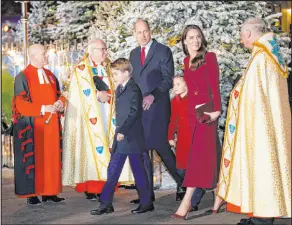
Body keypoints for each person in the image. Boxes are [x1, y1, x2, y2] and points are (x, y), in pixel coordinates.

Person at [211, 17, 291, 225]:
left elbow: (254, 97)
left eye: (241, 34)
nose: (240, 39)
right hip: (265, 124)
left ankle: (263, 219)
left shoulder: (262, 58)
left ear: (247, 33)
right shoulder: (267, 54)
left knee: (263, 166)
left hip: (260, 127)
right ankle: (258, 214)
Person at [62, 40, 134, 200]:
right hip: (90, 119)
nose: (105, 52)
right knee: (92, 149)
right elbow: (75, 96)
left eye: (105, 49)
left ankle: (109, 185)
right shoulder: (81, 70)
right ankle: (93, 188)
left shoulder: (111, 67)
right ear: (91, 51)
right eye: (101, 49)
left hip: (110, 115)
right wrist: (96, 96)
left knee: (110, 148)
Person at [129, 18, 185, 205]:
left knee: (161, 147)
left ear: (150, 31)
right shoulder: (133, 54)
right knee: (142, 150)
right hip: (140, 111)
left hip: (158, 107)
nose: (143, 35)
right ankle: (146, 194)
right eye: (139, 32)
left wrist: (152, 95)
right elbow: (133, 82)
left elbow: (168, 79)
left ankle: (183, 183)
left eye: (145, 31)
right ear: (134, 34)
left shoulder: (163, 51)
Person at [90, 58, 153, 215]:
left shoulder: (133, 89)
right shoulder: (121, 88)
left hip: (130, 137)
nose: (114, 77)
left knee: (136, 171)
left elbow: (134, 113)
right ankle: (106, 203)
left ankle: (145, 203)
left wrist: (123, 131)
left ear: (126, 73)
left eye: (116, 73)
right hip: (123, 137)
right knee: (114, 170)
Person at [171, 24, 222, 220]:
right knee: (208, 156)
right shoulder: (186, 60)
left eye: (198, 37)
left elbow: (214, 85)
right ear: (184, 41)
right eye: (191, 37)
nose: (195, 40)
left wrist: (216, 111)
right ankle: (219, 195)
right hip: (193, 114)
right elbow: (190, 89)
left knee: (197, 159)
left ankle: (187, 201)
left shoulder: (209, 57)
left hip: (208, 113)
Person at [12, 44, 65, 205]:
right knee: (35, 160)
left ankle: (50, 192)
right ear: (33, 56)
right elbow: (20, 104)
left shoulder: (50, 75)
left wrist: (60, 103)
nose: (47, 56)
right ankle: (32, 194)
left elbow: (60, 95)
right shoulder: (23, 77)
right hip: (33, 127)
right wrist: (42, 108)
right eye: (43, 54)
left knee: (51, 159)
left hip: (51, 126)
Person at [168, 74, 207, 211]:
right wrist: (170, 136)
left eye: (178, 84)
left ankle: (193, 201)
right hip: (182, 140)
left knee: (193, 170)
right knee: (181, 170)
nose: (175, 87)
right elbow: (172, 120)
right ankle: (199, 188)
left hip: (195, 139)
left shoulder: (195, 99)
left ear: (186, 85)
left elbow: (203, 118)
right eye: (174, 85)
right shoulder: (174, 101)